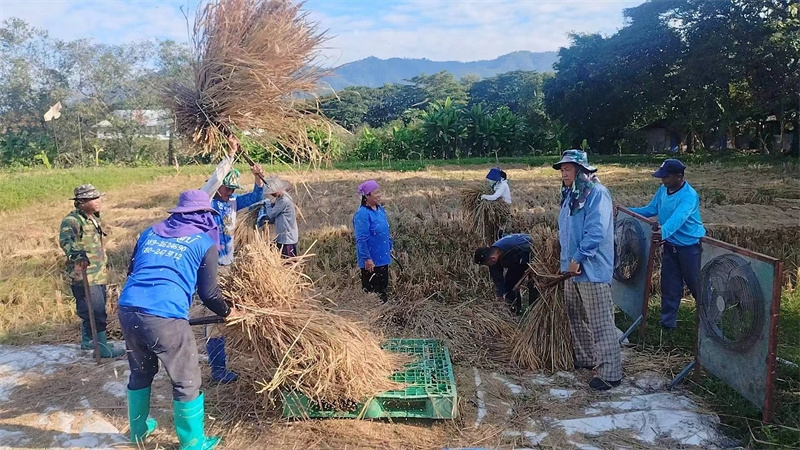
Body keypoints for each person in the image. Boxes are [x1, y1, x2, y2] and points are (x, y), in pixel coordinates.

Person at [118, 190, 241, 449]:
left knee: (141, 371)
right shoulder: (203, 243)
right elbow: (209, 294)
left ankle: (138, 431)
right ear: (204, 215)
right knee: (186, 380)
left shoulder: (149, 232)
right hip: (165, 314)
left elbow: (132, 271)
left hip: (128, 308)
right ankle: (193, 443)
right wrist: (228, 312)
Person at [197, 135, 265, 383]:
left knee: (229, 313)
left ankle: (223, 360)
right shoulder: (205, 203)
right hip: (210, 268)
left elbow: (256, 198)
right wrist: (231, 154)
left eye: (233, 189)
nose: (230, 192)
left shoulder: (233, 203)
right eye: (227, 188)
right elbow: (214, 179)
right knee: (215, 319)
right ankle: (217, 370)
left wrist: (258, 177)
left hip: (227, 266)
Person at [554, 149, 622, 391]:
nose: (563, 173)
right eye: (562, 169)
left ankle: (610, 373)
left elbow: (596, 230)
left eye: (568, 169)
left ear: (581, 170)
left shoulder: (596, 193)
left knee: (600, 320)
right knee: (576, 315)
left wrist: (579, 257)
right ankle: (587, 359)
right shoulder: (571, 195)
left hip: (590, 268)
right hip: (571, 268)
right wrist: (567, 261)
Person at [627, 159, 705, 330]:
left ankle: (709, 320)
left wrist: (663, 232)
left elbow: (679, 218)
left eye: (667, 177)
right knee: (669, 284)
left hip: (690, 247)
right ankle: (668, 323)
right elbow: (651, 209)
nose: (663, 180)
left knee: (696, 284)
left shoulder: (689, 196)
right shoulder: (663, 190)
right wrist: (627, 211)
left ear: (679, 176)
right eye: (662, 177)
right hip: (671, 245)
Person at [59, 184, 124, 358]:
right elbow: (66, 241)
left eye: (98, 198)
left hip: (98, 273)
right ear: (81, 202)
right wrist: (78, 255)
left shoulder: (93, 218)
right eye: (93, 199)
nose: (98, 201)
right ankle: (101, 348)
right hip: (84, 274)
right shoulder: (72, 220)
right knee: (94, 311)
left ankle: (89, 340)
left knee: (96, 307)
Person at [473, 233, 539, 315]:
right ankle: (513, 313)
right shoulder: (493, 259)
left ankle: (534, 312)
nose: (489, 266)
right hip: (517, 262)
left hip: (531, 257)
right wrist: (500, 295)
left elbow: (535, 246)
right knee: (509, 285)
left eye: (487, 264)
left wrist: (533, 266)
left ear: (492, 259)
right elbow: (498, 280)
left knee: (533, 284)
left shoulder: (517, 244)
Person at [353, 180, 394, 303]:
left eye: (379, 192)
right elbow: (361, 239)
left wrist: (390, 247)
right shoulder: (362, 214)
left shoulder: (380, 210)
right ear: (367, 196)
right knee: (372, 293)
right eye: (376, 193)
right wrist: (367, 259)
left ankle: (384, 311)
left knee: (382, 290)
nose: (379, 195)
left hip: (382, 258)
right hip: (371, 262)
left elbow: (385, 231)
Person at [257, 176, 299, 258]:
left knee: (288, 262)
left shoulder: (284, 200)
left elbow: (271, 214)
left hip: (287, 239)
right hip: (282, 237)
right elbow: (274, 217)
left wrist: (268, 204)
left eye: (273, 192)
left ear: (279, 189)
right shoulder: (279, 199)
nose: (272, 194)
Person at [480, 167, 512, 238]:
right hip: (499, 205)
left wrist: (484, 196)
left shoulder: (503, 185)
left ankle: (502, 236)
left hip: (504, 207)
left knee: (501, 225)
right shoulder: (498, 184)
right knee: (496, 225)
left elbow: (494, 197)